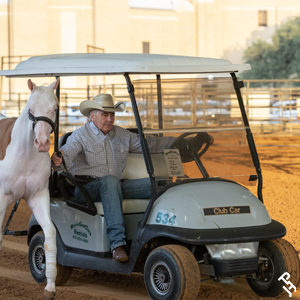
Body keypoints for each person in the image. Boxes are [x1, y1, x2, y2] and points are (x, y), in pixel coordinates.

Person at [51, 94, 177, 262]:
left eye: (112, 115)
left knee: (161, 183)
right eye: (104, 115)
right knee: (110, 181)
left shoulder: (122, 135)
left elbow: (150, 144)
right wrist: (59, 158)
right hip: (85, 188)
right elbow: (67, 153)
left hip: (115, 185)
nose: (109, 119)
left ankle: (168, 235)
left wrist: (179, 143)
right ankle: (117, 244)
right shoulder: (79, 136)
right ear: (92, 116)